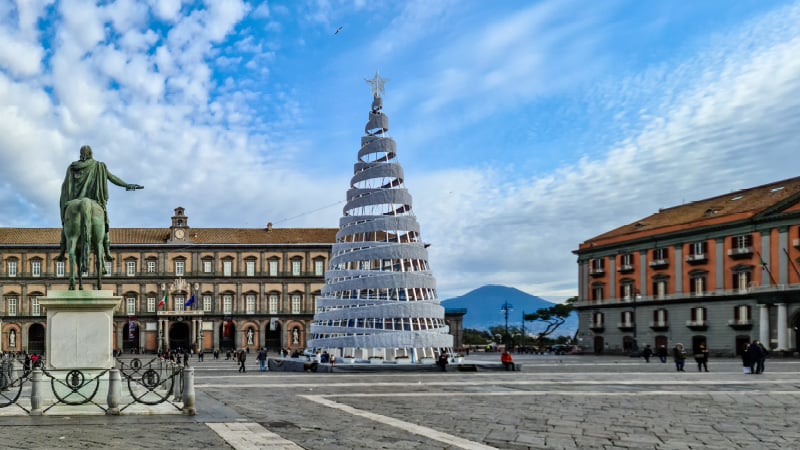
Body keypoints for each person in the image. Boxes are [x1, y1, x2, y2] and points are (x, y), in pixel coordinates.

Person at [57, 145, 143, 262]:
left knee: (66, 224)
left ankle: (62, 251)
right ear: (91, 153)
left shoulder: (73, 167)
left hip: (74, 202)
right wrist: (127, 185)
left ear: (81, 154)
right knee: (105, 224)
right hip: (95, 201)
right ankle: (107, 251)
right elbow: (112, 178)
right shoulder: (99, 166)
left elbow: (66, 186)